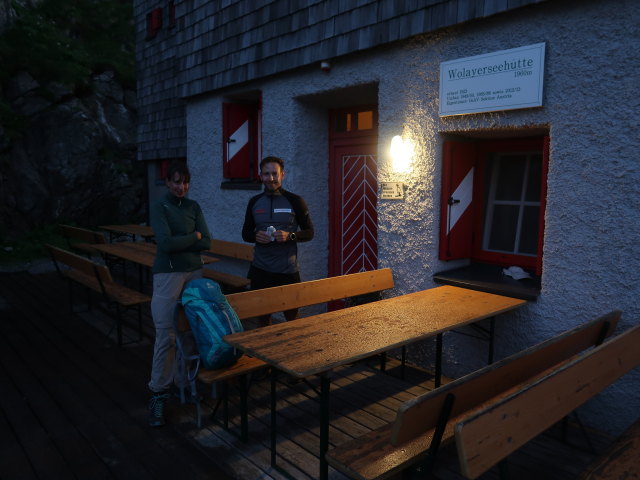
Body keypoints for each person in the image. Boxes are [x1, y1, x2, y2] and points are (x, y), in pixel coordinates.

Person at [147, 161, 211, 427]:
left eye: (185, 182)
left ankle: (185, 383)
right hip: (168, 275)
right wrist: (192, 236)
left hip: (194, 273)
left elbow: (206, 241)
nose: (181, 187)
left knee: (189, 331)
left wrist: (189, 239)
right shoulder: (160, 206)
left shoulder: (193, 207)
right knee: (166, 334)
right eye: (175, 181)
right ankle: (158, 391)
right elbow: (164, 243)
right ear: (167, 182)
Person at [242, 156, 314, 326]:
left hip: (287, 270)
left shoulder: (296, 201)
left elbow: (310, 232)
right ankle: (264, 351)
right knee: (263, 319)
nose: (271, 178)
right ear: (261, 176)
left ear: (283, 175)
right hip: (260, 270)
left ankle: (295, 351)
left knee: (292, 320)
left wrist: (290, 236)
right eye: (266, 174)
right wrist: (255, 236)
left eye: (275, 173)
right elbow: (245, 233)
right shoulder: (254, 202)